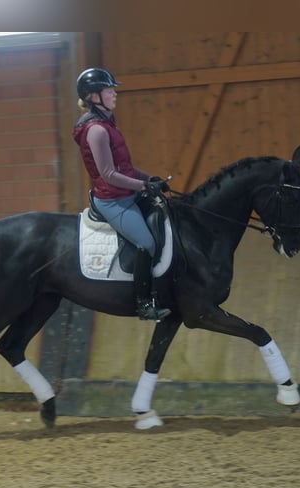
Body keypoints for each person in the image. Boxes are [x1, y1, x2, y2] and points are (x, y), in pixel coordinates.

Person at [72, 67, 171, 322]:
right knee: (146, 243)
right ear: (95, 96)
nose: (114, 94)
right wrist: (142, 187)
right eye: (109, 90)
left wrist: (150, 179)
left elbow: (124, 168)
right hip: (112, 200)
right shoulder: (97, 131)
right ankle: (143, 304)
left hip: (126, 192)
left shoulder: (107, 125)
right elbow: (108, 174)